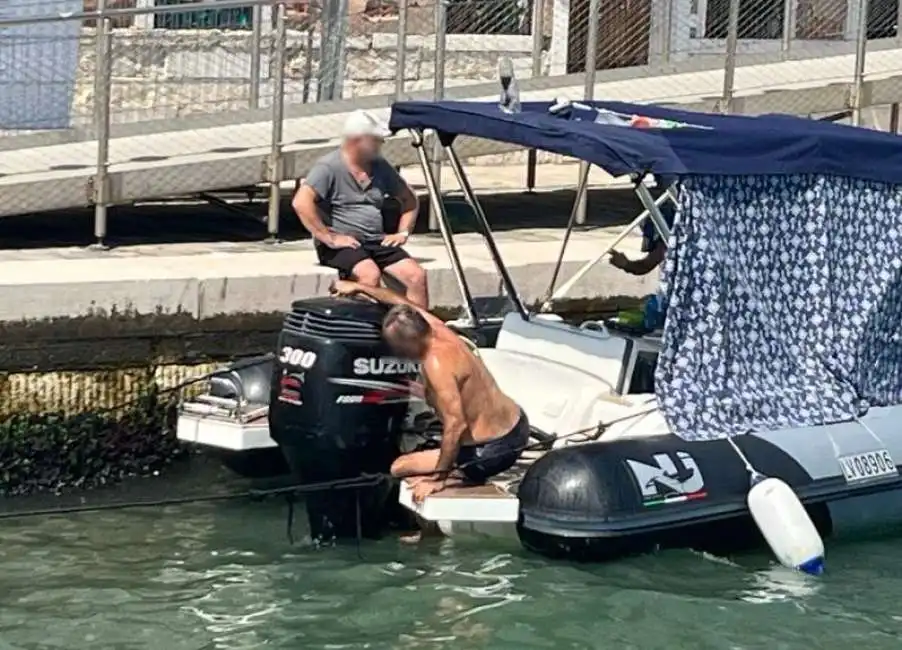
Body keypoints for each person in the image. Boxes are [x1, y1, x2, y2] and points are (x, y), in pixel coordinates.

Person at [330, 279, 529, 504]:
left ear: (408, 343)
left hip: (489, 451)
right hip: (517, 424)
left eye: (395, 346)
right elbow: (401, 303)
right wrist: (361, 287)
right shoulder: (437, 330)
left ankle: (457, 480)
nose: (395, 352)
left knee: (400, 467)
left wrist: (438, 478)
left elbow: (456, 425)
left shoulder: (437, 365)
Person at [293, 110, 428, 307]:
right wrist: (328, 237)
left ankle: (424, 332)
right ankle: (363, 330)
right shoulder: (328, 167)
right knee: (369, 274)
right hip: (344, 245)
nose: (381, 145)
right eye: (376, 140)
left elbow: (409, 199)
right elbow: (301, 203)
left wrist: (402, 232)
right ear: (358, 141)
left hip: (376, 240)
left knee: (416, 275)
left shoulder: (380, 166)